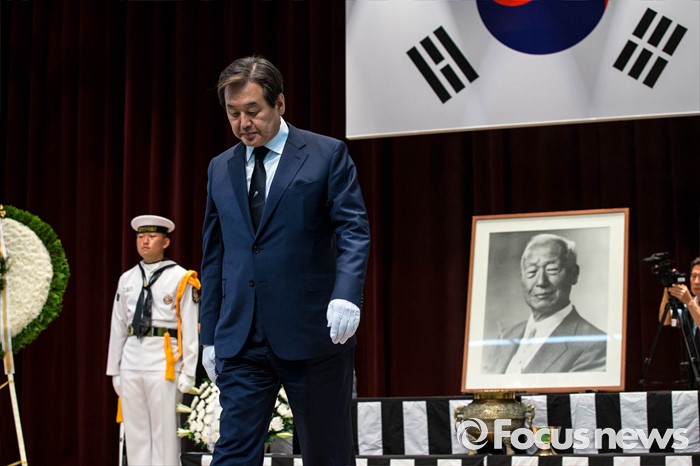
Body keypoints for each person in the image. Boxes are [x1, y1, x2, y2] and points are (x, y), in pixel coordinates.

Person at [199, 56, 370, 466]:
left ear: (279, 103)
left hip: (311, 332)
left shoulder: (325, 154)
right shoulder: (220, 168)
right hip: (241, 336)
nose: (244, 123)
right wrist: (208, 333)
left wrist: (347, 294)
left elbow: (353, 229)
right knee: (232, 452)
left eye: (253, 110)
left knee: (327, 453)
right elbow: (214, 254)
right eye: (233, 113)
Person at [106, 215, 200, 466]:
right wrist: (115, 369)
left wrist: (189, 370)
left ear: (165, 242)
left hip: (164, 359)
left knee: (164, 431)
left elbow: (189, 326)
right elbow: (118, 325)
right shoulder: (127, 278)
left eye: (151, 237)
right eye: (140, 237)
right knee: (135, 431)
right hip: (132, 358)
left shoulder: (181, 277)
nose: (145, 242)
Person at [483, 233, 606, 374]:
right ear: (522, 278)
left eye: (552, 270)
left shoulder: (595, 344)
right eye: (531, 272)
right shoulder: (506, 337)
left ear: (574, 274)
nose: (541, 281)